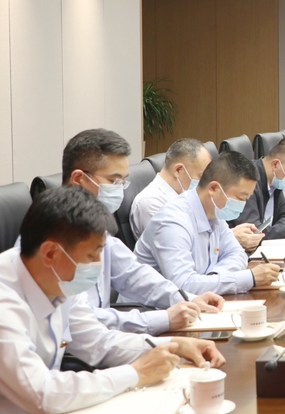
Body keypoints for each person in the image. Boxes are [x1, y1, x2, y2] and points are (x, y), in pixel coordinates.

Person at [0, 186, 225, 414]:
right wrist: (135, 373)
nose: (98, 266)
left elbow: (98, 343)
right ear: (50, 253)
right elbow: (41, 394)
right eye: (92, 255)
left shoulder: (57, 282)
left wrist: (172, 346)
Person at [58, 129, 221, 335]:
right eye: (113, 181)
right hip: (80, 345)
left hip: (106, 338)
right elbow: (81, 320)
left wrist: (187, 298)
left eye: (122, 181)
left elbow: (134, 274)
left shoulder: (96, 228)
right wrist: (164, 319)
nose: (119, 189)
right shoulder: (56, 237)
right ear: (78, 179)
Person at [135, 151, 280, 295]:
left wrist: (213, 278)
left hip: (195, 302)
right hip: (154, 306)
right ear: (213, 188)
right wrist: (250, 278)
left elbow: (237, 253)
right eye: (240, 198)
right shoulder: (172, 222)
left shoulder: (215, 212)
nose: (243, 204)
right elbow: (184, 285)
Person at [228, 137, 285, 244]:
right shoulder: (248, 180)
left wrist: (274, 232)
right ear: (275, 164)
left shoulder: (275, 182)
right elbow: (254, 233)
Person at [130, 138, 211, 239]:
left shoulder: (187, 195)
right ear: (178, 170)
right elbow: (174, 244)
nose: (205, 183)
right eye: (201, 176)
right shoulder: (151, 203)